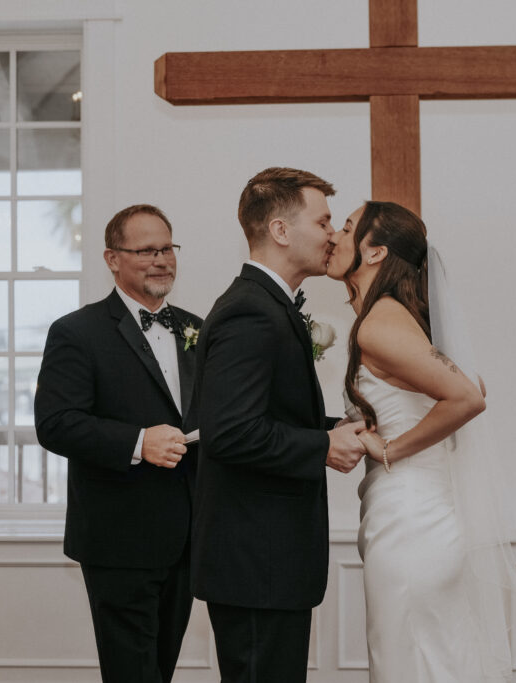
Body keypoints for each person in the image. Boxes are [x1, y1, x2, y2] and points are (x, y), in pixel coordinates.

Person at [327, 200, 516, 682]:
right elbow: (472, 384)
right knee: (430, 659)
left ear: (375, 252)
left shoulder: (380, 322)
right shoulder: (395, 316)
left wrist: (391, 448)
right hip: (420, 513)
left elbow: (467, 397)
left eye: (347, 228)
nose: (334, 236)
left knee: (410, 662)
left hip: (411, 520)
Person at [191, 167, 367, 683]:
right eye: (324, 221)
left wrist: (339, 426)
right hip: (256, 563)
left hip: (267, 561)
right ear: (281, 230)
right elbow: (230, 432)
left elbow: (266, 416)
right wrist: (322, 446)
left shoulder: (268, 305)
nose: (332, 234)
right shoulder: (250, 312)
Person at [34, 204, 201, 683]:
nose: (160, 260)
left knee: (163, 667)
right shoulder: (76, 332)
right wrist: (138, 441)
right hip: (118, 539)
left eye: (167, 248)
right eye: (145, 250)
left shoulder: (198, 328)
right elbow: (56, 423)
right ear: (112, 258)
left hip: (188, 536)